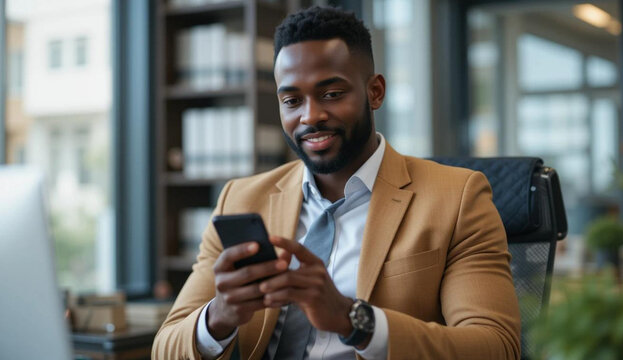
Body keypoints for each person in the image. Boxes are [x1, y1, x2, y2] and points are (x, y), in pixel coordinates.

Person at [152, 6, 520, 360]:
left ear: (375, 92)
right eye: (292, 100)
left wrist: (351, 319)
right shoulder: (241, 199)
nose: (310, 116)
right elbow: (165, 347)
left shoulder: (458, 198)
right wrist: (219, 316)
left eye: (331, 94)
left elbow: (496, 347)